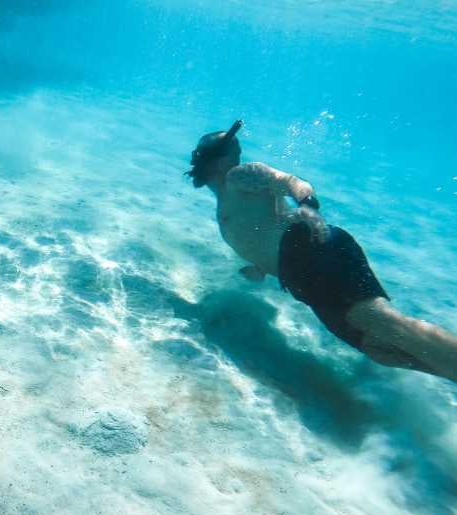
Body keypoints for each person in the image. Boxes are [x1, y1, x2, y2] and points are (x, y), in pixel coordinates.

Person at [186, 120, 457, 382]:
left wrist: (307, 203)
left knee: (385, 324)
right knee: (378, 348)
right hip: (300, 277)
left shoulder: (239, 177)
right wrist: (257, 270)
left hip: (309, 249)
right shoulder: (225, 202)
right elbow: (259, 238)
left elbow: (288, 181)